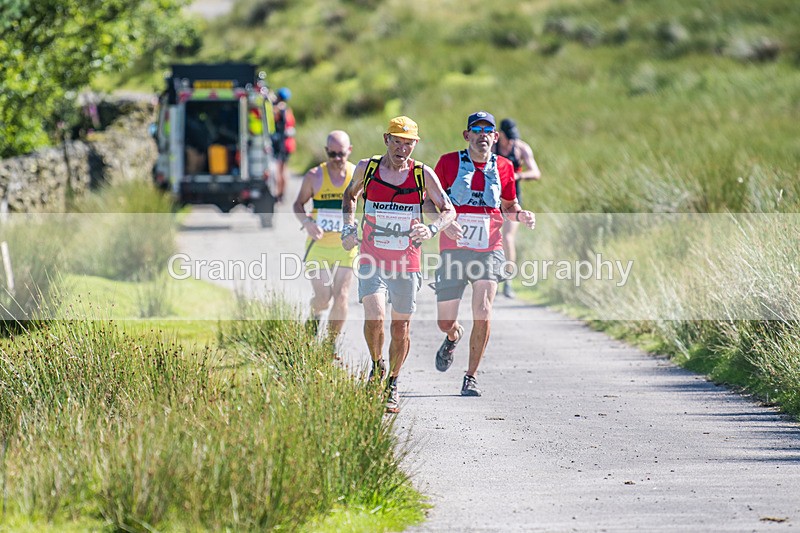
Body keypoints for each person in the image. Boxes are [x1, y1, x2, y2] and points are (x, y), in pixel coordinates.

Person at [341, 116, 455, 413]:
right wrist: (348, 227)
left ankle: (392, 381)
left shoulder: (422, 174)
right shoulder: (367, 168)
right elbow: (349, 196)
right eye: (397, 141)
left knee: (400, 327)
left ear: (415, 145)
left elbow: (448, 210)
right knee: (375, 315)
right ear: (386, 140)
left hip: (406, 262)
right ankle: (377, 365)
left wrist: (431, 229)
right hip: (371, 257)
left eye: (408, 143)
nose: (401, 149)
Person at [432, 111, 535, 397]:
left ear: (495, 137)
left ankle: (470, 376)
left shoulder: (504, 167)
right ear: (467, 135)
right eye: (475, 130)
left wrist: (521, 215)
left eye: (487, 130)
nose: (482, 135)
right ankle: (453, 336)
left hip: (489, 250)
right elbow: (428, 203)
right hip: (454, 251)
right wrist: (445, 223)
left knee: (483, 310)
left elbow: (509, 206)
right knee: (444, 321)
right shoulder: (448, 163)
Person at [293, 130, 358, 348]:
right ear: (326, 152)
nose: (337, 159)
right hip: (318, 246)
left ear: (349, 151)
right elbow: (298, 204)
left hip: (345, 247)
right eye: (332, 154)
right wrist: (308, 224)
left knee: (341, 296)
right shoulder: (314, 176)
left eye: (341, 154)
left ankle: (329, 346)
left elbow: (372, 203)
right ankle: (314, 314)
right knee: (323, 298)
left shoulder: (356, 174)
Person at [494, 118, 541, 298]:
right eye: (508, 137)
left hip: (513, 198)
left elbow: (536, 172)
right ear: (501, 134)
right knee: (492, 239)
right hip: (491, 200)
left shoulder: (521, 148)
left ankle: (508, 281)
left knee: (507, 238)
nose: (511, 141)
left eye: (514, 137)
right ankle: (491, 277)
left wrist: (517, 176)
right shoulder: (492, 147)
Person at [272, 87, 296, 201]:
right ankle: (282, 194)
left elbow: (273, 118)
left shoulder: (279, 109)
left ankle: (280, 194)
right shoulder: (288, 110)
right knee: (283, 169)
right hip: (288, 143)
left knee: (280, 170)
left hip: (283, 144)